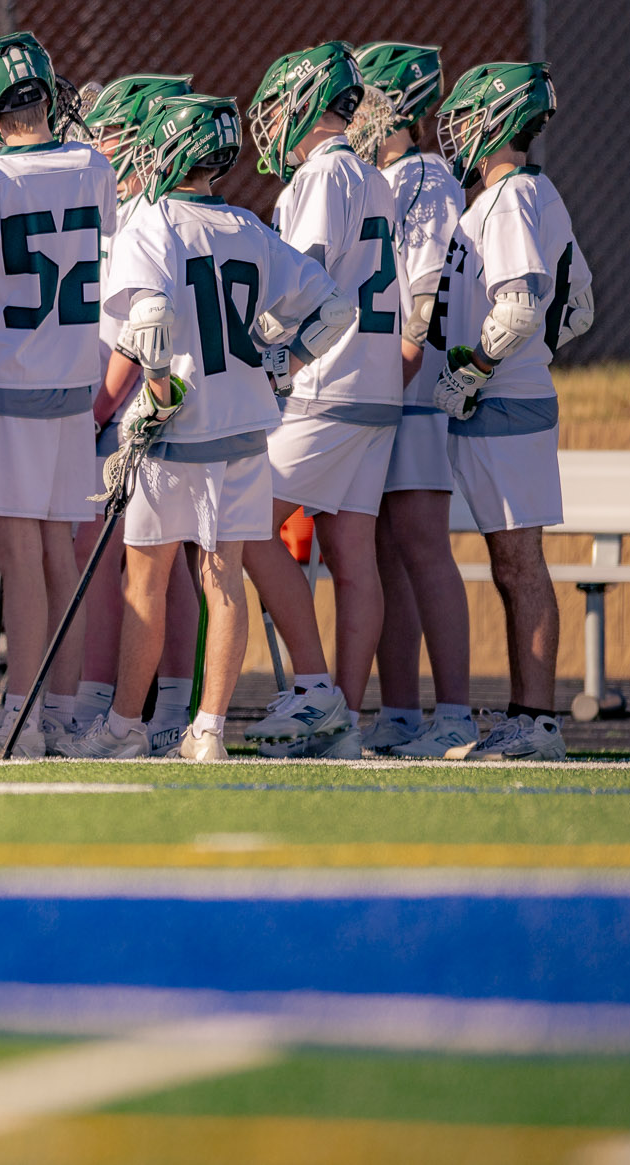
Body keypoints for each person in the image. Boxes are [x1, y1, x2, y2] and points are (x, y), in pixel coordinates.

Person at [100, 93, 354, 761]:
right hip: (242, 426)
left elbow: (150, 327)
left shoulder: (151, 223)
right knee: (225, 579)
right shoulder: (247, 225)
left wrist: (155, 398)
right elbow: (333, 308)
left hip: (178, 432)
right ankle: (208, 728)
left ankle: (126, 725)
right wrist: (284, 362)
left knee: (146, 580)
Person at [0, 32, 118, 758]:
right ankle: (62, 712)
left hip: (9, 379)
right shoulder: (93, 165)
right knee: (56, 547)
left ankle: (26, 716)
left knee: (18, 552)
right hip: (72, 378)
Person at [239, 42, 401, 759]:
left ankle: (316, 692)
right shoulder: (374, 177)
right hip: (375, 385)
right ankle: (345, 717)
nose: (270, 122)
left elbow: (298, 283)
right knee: (352, 553)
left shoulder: (321, 176)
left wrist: (260, 350)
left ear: (306, 103)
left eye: (278, 106)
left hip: (324, 385)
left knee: (244, 523)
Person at [434, 60, 593, 762]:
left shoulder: (509, 200)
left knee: (520, 564)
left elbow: (525, 304)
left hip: (504, 403)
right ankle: (528, 715)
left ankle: (537, 718)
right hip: (514, 395)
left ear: (497, 122)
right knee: (513, 563)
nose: (460, 131)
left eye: (471, 117)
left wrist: (479, 369)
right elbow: (577, 305)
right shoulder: (536, 192)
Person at [348, 42, 477, 757]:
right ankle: (398, 712)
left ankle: (454, 711)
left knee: (423, 546)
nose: (356, 115)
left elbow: (421, 308)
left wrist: (386, 385)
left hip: (414, 385)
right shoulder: (383, 176)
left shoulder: (424, 176)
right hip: (388, 385)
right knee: (384, 550)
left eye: (367, 101)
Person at [73, 73, 203, 756]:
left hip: (138, 402)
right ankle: (171, 710)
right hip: (161, 399)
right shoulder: (154, 210)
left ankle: (103, 702)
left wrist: (99, 404)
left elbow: (135, 335)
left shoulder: (142, 217)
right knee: (167, 560)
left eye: (111, 131)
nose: (99, 144)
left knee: (113, 559)